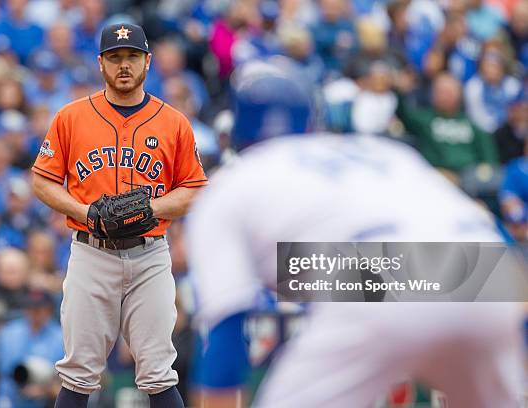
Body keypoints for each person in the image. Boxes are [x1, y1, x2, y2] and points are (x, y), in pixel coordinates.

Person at [186, 60, 524, 407]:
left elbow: (226, 331)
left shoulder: (231, 185)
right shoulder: (380, 151)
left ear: (234, 132)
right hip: (483, 266)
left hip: (382, 271)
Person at [31, 23, 208, 408]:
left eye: (131, 57)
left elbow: (194, 188)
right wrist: (87, 212)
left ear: (148, 61)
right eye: (114, 57)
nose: (123, 66)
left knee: (160, 373)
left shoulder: (173, 121)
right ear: (100, 64)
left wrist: (150, 209)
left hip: (150, 255)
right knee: (78, 373)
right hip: (91, 252)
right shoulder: (71, 116)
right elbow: (42, 181)